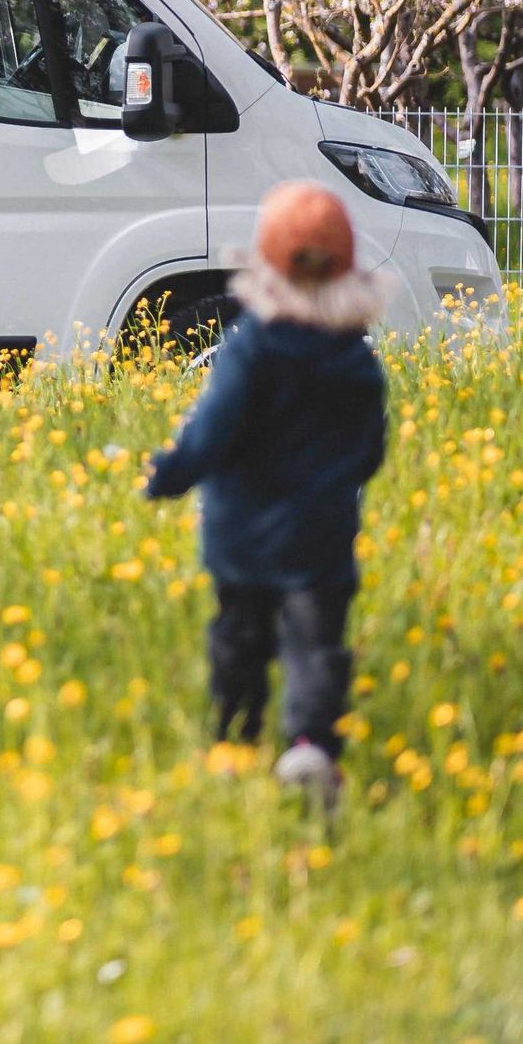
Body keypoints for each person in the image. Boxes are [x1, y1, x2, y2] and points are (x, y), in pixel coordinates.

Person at [142, 179, 390, 813]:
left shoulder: (249, 349)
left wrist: (170, 473)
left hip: (242, 535)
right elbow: (371, 449)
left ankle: (236, 739)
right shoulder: (356, 359)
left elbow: (213, 429)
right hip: (322, 535)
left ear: (266, 263)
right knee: (315, 647)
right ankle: (309, 744)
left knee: (240, 637)